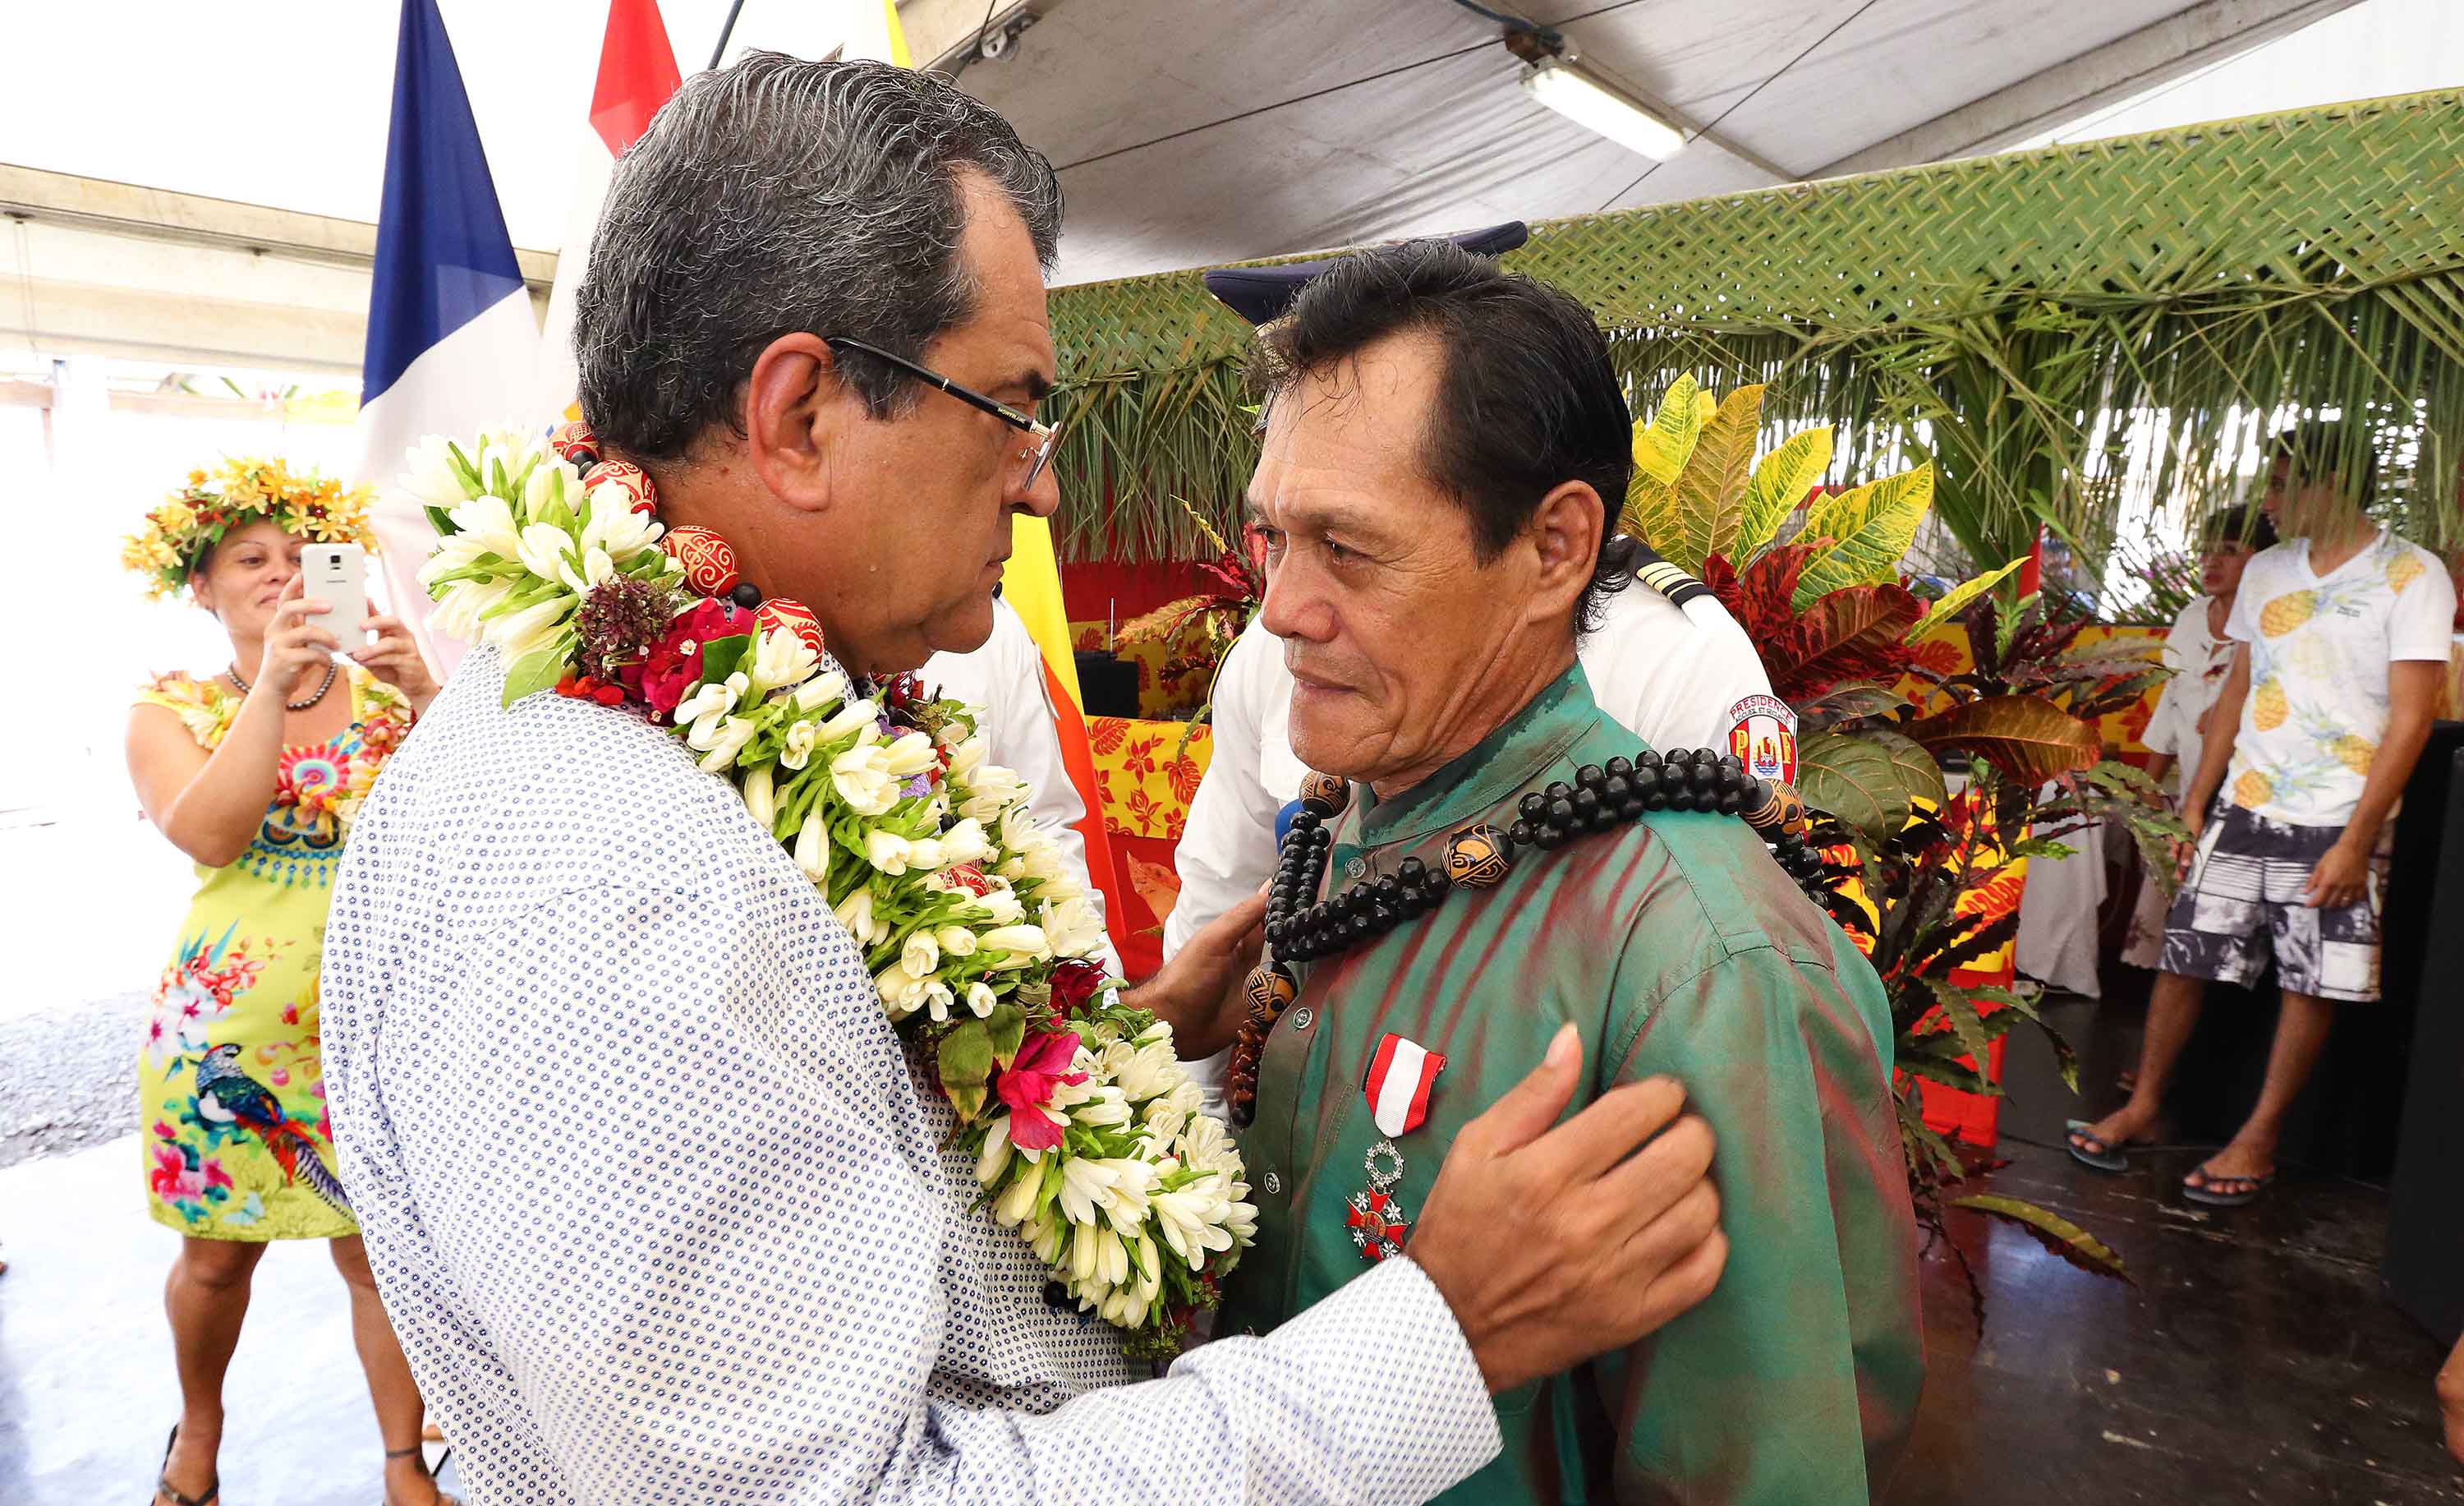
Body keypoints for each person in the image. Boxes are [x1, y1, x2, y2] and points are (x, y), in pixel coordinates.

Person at [322, 56, 1730, 1504]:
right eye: (1009, 405)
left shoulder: (729, 738)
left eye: (1352, 547)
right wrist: (1441, 1334)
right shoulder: (600, 885)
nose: (1045, 484)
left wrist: (1103, 1044)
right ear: (800, 412)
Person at [1214, 240, 1923, 1504]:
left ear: (1555, 550)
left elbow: (1757, 1467)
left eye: (1349, 549)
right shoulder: (1355, 828)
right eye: (1274, 537)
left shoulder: (1700, 962)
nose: (1280, 608)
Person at [118, 458, 449, 1506]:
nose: (282, 573)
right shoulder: (164, 710)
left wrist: (430, 696)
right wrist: (269, 683)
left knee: (378, 1260)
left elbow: (464, 829)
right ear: (201, 589)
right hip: (227, 1037)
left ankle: (403, 1462)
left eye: (303, 557)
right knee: (218, 1263)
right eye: (251, 560)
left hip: (378, 1026)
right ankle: (199, 1436)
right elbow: (210, 832)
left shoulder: (387, 695)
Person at [2070, 421, 2456, 1204]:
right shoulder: (2268, 572)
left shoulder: (2414, 575)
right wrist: (2196, 804)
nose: (2268, 502)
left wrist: (2356, 841)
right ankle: (2144, 1106)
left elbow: (2415, 718)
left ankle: (2260, 1138)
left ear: (2334, 481)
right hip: (2247, 800)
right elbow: (2236, 691)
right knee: (2186, 958)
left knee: (2311, 981)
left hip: (2341, 814)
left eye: (2282, 485)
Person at [2118, 504, 2277, 970]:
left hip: (2243, 801)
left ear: (2265, 561)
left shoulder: (2277, 625)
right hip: (2187, 796)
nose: (2212, 561)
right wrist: (2147, 797)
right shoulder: (2191, 618)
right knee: (2168, 935)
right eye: (2207, 550)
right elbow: (2168, 710)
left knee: (2221, 938)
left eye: (2229, 551)